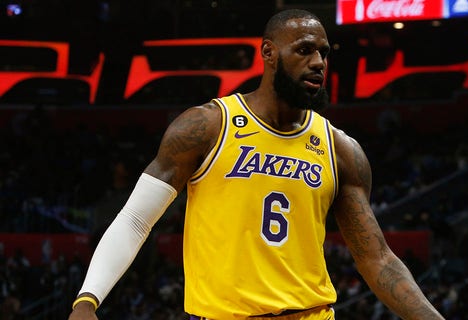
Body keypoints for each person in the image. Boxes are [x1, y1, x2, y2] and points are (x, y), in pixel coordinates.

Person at [68, 9, 444, 320]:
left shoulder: (340, 149)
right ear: (268, 53)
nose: (318, 63)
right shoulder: (208, 126)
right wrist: (88, 299)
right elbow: (136, 220)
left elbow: (376, 258)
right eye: (304, 50)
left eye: (324, 53)